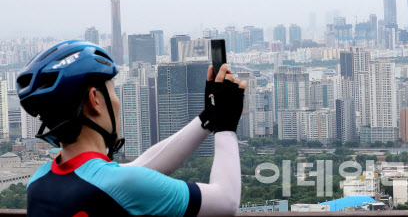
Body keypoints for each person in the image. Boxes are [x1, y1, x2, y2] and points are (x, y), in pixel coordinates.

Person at [18, 40, 244, 216]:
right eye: (113, 90)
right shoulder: (119, 183)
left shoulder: (38, 181)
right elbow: (227, 201)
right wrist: (226, 127)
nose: (117, 101)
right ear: (95, 99)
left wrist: (207, 119)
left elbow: (136, 169)